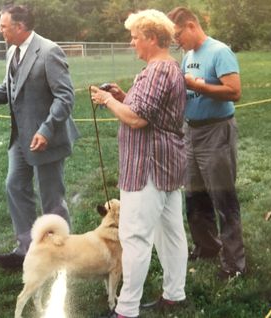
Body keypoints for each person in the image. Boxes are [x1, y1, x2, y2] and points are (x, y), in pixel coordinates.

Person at [0, 4, 79, 270]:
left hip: (46, 138)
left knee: (52, 198)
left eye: (3, 26)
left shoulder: (49, 52)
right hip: (21, 137)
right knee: (15, 186)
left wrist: (46, 130)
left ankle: (62, 256)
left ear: (19, 27)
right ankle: (27, 250)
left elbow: (65, 97)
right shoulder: (11, 51)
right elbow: (10, 88)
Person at [91, 9, 188, 318]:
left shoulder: (158, 70)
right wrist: (122, 95)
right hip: (166, 166)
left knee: (134, 238)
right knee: (170, 232)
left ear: (151, 38)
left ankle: (126, 309)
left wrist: (108, 101)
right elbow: (146, 107)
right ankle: (174, 294)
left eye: (134, 37)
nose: (131, 43)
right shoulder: (166, 68)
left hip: (147, 168)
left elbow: (137, 118)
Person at [167, 7, 246, 279]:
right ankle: (208, 246)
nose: (177, 41)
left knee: (223, 197)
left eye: (178, 34)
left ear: (191, 25)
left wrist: (199, 86)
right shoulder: (188, 56)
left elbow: (235, 92)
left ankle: (235, 263)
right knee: (194, 196)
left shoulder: (219, 51)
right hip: (192, 133)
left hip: (216, 132)